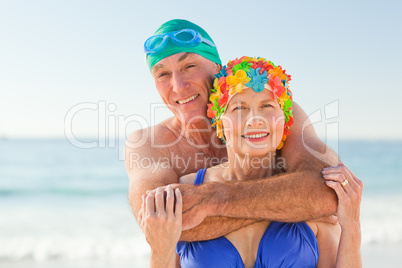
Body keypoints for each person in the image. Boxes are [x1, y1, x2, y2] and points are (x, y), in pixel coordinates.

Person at [125, 18, 341, 252]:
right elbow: (158, 225)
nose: (178, 86)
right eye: (163, 74)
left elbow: (329, 191)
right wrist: (296, 203)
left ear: (218, 68)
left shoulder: (273, 115)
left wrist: (214, 198)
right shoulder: (148, 144)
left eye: (189, 67)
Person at [138, 57, 363, 267]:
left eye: (267, 106)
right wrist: (159, 251)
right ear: (219, 122)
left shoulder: (311, 194)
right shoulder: (184, 190)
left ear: (284, 120)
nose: (255, 119)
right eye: (239, 108)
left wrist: (351, 227)